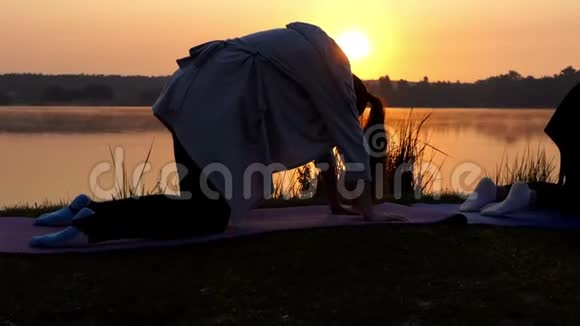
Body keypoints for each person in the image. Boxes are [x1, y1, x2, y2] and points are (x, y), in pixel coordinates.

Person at [30, 22, 390, 248]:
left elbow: (324, 147)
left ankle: (87, 208)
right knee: (207, 217)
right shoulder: (337, 79)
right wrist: (370, 215)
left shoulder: (316, 64)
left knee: (196, 204)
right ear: (353, 101)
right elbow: (351, 148)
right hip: (214, 100)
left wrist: (334, 204)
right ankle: (91, 228)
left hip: (191, 91)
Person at [460, 81, 580, 216]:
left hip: (568, 123)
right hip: (571, 124)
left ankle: (495, 192)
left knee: (572, 190)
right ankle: (531, 197)